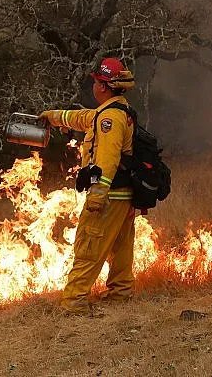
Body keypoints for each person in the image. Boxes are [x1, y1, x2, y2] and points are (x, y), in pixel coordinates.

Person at [39, 57, 137, 313]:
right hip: (122, 195)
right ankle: (120, 292)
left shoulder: (109, 120)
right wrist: (55, 117)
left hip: (108, 195)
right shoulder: (115, 111)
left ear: (103, 86)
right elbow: (83, 118)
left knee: (89, 244)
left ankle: (74, 301)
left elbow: (107, 158)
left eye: (95, 82)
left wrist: (97, 194)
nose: (93, 86)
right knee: (120, 245)